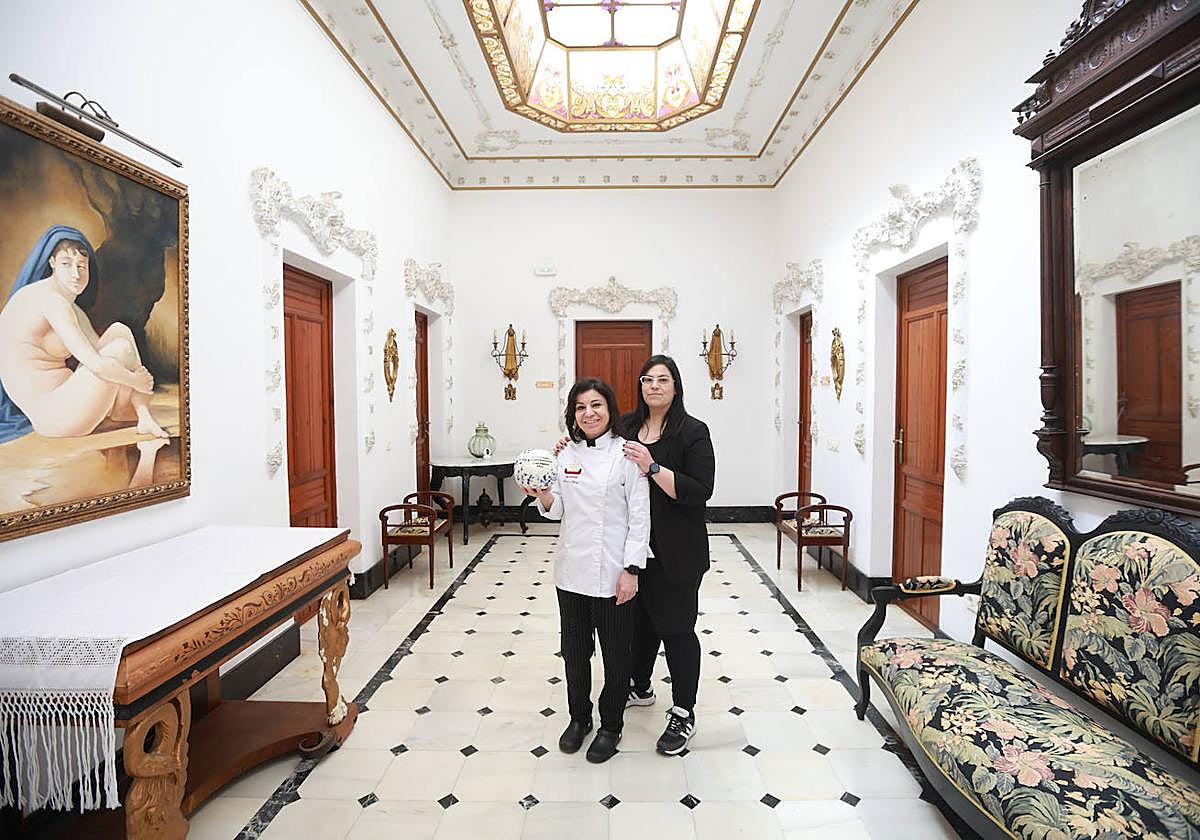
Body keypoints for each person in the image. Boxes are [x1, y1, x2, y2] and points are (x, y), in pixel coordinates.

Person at [521, 377, 649, 764]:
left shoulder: (626, 454)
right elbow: (556, 508)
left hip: (614, 573)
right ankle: (579, 718)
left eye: (596, 405)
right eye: (580, 407)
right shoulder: (565, 455)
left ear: (610, 410)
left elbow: (640, 517)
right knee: (574, 653)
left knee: (615, 654)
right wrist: (542, 493)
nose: (589, 413)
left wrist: (632, 569)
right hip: (572, 572)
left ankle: (611, 724)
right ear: (572, 414)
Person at [619, 355, 715, 756]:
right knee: (638, 625)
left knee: (676, 629)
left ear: (676, 386)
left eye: (663, 379)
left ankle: (683, 710)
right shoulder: (625, 427)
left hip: (677, 551)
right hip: (631, 549)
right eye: (647, 379)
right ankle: (640, 687)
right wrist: (566, 445)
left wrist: (652, 465)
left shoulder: (693, 431)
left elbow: (699, 490)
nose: (654, 386)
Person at [0, 225, 168, 445]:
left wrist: (131, 378)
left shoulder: (68, 305)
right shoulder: (52, 301)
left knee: (120, 331)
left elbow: (98, 349)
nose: (75, 274)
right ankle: (133, 412)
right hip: (54, 416)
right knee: (119, 349)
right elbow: (98, 365)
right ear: (51, 263)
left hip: (67, 399)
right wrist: (136, 380)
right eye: (66, 264)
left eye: (81, 266)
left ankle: (143, 416)